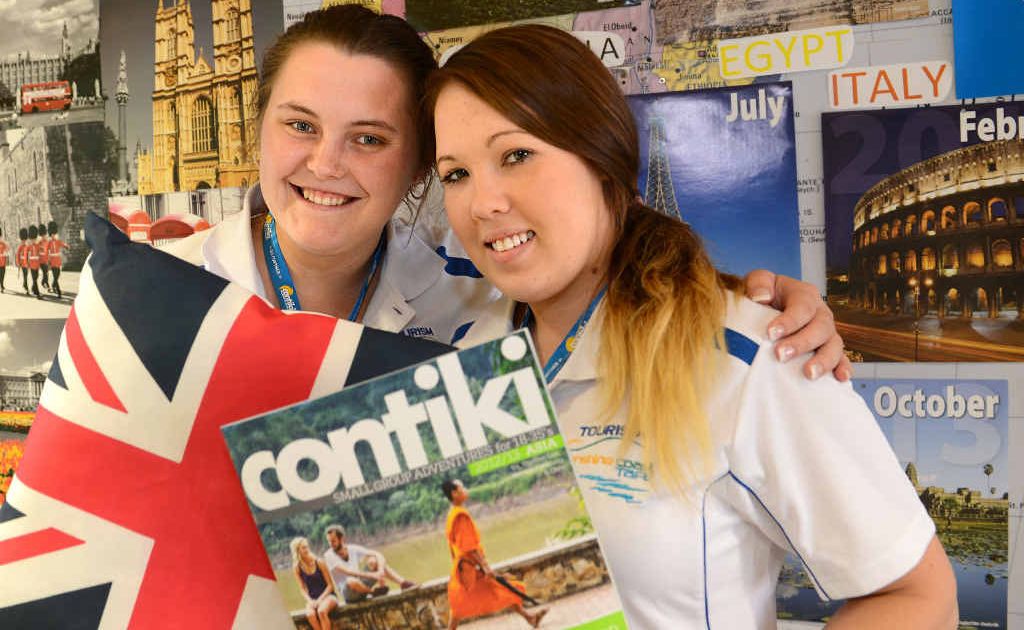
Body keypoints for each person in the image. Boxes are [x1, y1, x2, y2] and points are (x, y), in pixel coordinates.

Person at [427, 25, 958, 630]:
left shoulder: (751, 354)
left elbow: (921, 596)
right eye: (455, 174)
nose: (482, 203)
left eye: (516, 156)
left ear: (601, 157)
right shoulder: (464, 355)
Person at [163, 4, 849, 381]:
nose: (325, 162)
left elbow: (630, 287)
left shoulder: (487, 296)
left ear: (419, 171)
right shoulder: (151, 288)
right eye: (299, 125)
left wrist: (769, 314)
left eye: (369, 138)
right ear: (258, 129)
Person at [441, 479, 546, 629]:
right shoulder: (460, 515)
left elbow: (454, 546)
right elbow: (469, 546)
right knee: (459, 604)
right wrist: (485, 566)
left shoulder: (452, 513)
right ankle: (530, 618)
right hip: (470, 569)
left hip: (466, 567)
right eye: (462, 487)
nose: (465, 490)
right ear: (454, 493)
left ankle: (529, 618)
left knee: (499, 590)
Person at [323, 523, 416, 603]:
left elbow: (377, 554)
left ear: (342, 539)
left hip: (360, 585)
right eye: (329, 541)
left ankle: (403, 583)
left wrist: (380, 571)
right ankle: (373, 592)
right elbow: (348, 572)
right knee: (351, 580)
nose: (331, 544)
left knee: (373, 561)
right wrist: (373, 575)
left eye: (333, 541)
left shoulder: (352, 549)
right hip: (349, 594)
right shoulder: (328, 555)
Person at [290, 536, 339, 630]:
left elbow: (330, 586)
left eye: (307, 546)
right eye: (303, 548)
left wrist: (320, 600)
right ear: (297, 551)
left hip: (328, 596)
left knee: (321, 611)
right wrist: (310, 601)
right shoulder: (297, 567)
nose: (307, 549)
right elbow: (302, 589)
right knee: (310, 615)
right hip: (312, 599)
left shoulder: (319, 562)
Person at [45, 221, 68, 299]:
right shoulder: (49, 242)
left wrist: (66, 246)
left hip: (58, 260)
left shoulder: (57, 241)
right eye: (52, 234)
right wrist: (48, 260)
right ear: (50, 234)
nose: (53, 235)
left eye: (54, 234)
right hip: (52, 261)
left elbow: (62, 244)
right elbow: (46, 251)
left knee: (57, 275)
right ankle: (59, 292)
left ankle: (53, 285)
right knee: (55, 275)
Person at [26, 224, 40, 299]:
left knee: (36, 277)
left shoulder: (38, 245)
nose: (33, 240)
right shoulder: (29, 246)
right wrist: (27, 263)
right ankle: (37, 292)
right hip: (31, 263)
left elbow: (40, 254)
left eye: (34, 239)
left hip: (37, 263)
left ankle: (33, 288)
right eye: (32, 239)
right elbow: (26, 255)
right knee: (34, 277)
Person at [36, 223, 50, 292]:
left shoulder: (47, 241)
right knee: (45, 272)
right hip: (40, 260)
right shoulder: (39, 242)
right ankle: (46, 284)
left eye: (44, 235)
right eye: (43, 235)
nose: (44, 236)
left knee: (46, 272)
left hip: (45, 259)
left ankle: (44, 282)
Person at [17, 227, 29, 294]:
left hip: (26, 262)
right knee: (25, 274)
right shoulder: (20, 247)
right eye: (23, 240)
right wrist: (18, 263)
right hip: (22, 263)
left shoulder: (27, 246)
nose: (24, 241)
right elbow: (18, 255)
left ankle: (25, 285)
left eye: (24, 240)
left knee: (26, 274)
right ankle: (25, 286)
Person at [0, 228, 8, 293]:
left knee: (2, 274)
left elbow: (6, 251)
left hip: (3, 262)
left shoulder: (3, 243)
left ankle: (2, 284)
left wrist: (5, 254)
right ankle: (1, 286)